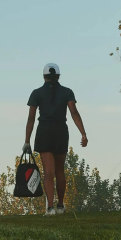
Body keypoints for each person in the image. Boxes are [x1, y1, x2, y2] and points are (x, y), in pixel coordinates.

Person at [24, 63, 87, 215]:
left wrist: (27, 141)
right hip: (60, 131)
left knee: (48, 172)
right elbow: (74, 113)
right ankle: (60, 205)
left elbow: (31, 118)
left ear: (44, 76)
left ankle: (50, 208)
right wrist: (83, 133)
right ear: (58, 76)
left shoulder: (36, 93)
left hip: (44, 131)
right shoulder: (67, 92)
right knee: (60, 171)